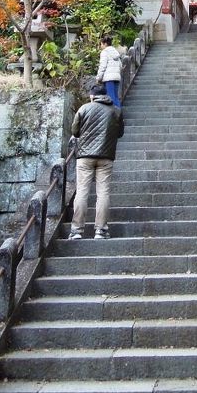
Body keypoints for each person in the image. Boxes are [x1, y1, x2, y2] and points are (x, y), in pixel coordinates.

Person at [69, 84, 124, 240]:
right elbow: (120, 133)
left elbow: (75, 131)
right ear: (106, 96)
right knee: (103, 192)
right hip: (106, 156)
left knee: (82, 191)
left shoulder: (84, 108)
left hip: (85, 157)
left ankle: (77, 230)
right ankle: (101, 230)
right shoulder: (116, 111)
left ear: (92, 96)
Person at [96, 35, 125, 108]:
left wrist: (98, 78)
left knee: (111, 98)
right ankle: (119, 113)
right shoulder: (115, 52)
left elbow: (102, 66)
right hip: (116, 77)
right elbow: (120, 65)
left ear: (105, 44)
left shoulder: (104, 52)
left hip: (109, 78)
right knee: (115, 97)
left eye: (101, 44)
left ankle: (115, 114)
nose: (101, 46)